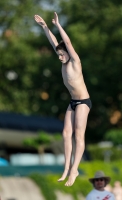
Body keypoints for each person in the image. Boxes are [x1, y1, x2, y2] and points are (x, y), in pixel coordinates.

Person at [34, 12, 92, 187]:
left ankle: (74, 169)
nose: (59, 57)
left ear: (68, 54)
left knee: (78, 136)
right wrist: (45, 27)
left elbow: (66, 43)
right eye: (58, 55)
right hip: (72, 102)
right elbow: (55, 43)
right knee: (66, 134)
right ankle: (66, 168)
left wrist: (58, 25)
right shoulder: (63, 61)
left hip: (83, 102)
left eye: (62, 55)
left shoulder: (75, 61)